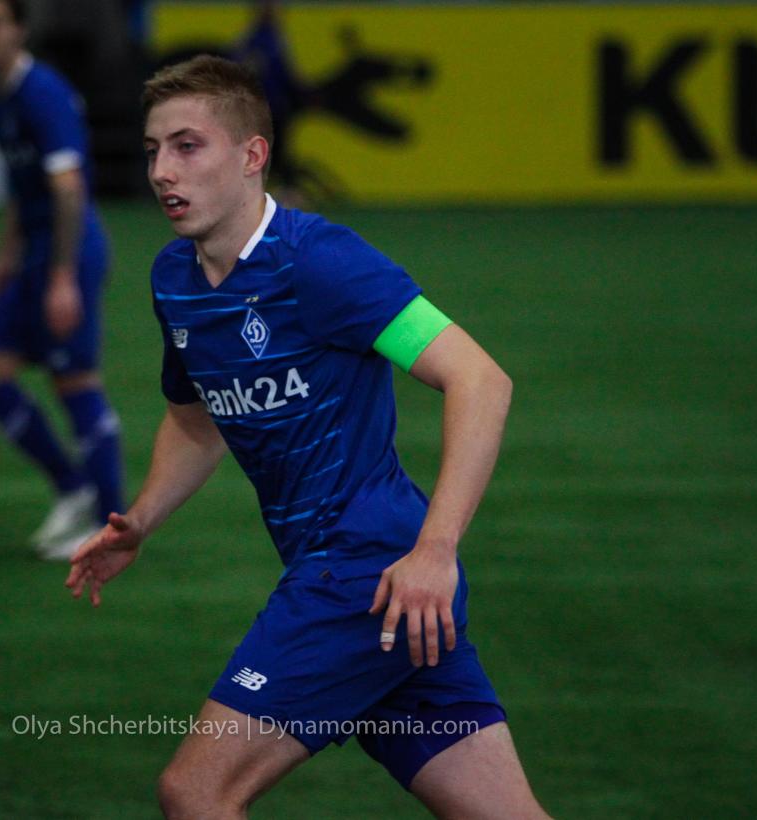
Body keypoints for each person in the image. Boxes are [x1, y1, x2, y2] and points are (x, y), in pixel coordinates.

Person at [66, 56, 549, 817]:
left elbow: (481, 379)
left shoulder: (321, 261)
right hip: (387, 593)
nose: (162, 171)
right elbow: (196, 418)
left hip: (365, 571)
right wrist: (143, 521)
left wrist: (436, 551)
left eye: (188, 146)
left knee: (195, 792)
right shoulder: (175, 279)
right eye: (154, 149)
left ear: (252, 155)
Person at [0, 0, 123, 559]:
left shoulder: (42, 92)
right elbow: (21, 183)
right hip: (34, 257)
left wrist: (62, 277)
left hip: (65, 256)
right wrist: (6, 255)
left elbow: (69, 190)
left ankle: (109, 525)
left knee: (75, 381)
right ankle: (73, 488)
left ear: (20, 29)